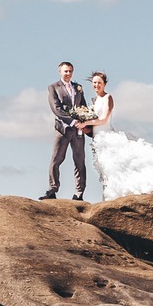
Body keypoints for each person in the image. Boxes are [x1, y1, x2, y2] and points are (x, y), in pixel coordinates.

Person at [42, 61, 91, 201]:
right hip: (63, 129)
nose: (68, 73)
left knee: (79, 161)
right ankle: (52, 189)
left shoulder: (78, 88)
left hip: (78, 131)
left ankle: (79, 193)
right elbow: (56, 109)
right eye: (65, 71)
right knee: (57, 159)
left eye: (70, 71)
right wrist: (73, 121)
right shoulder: (53, 87)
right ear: (60, 72)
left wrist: (83, 121)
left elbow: (83, 106)